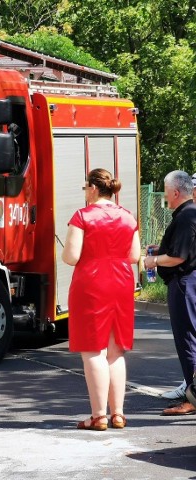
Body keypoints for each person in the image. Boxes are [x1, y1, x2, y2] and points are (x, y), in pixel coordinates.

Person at [62, 168, 140, 430]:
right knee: (115, 350)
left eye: (86, 188)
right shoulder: (128, 217)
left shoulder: (82, 216)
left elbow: (71, 257)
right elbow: (134, 256)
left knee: (93, 350)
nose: (85, 192)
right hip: (121, 281)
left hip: (92, 282)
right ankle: (118, 414)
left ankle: (98, 416)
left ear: (94, 188)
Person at [143, 170, 196, 415]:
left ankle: (192, 399)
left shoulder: (186, 216)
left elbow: (177, 257)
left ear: (175, 192)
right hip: (186, 282)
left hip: (184, 284)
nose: (164, 195)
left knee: (188, 341)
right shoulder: (186, 214)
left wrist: (151, 261)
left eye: (165, 190)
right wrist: (158, 250)